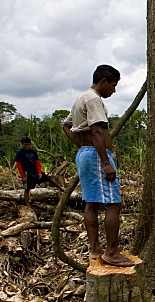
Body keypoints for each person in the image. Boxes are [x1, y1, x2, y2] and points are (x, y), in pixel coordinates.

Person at [62, 64, 134, 267]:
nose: (114, 90)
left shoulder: (81, 98)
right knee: (113, 204)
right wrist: (105, 163)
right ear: (103, 81)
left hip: (85, 154)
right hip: (96, 156)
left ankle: (96, 251)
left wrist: (82, 146)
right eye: (113, 85)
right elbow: (97, 132)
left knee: (91, 203)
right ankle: (111, 253)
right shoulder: (93, 99)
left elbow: (66, 125)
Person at [14, 137, 63, 205]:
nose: (27, 146)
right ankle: (27, 204)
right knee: (26, 189)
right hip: (26, 173)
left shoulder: (33, 152)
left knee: (48, 179)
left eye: (28, 144)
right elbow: (19, 165)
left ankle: (60, 188)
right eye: (25, 145)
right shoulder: (20, 153)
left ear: (30, 144)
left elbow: (37, 162)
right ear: (22, 144)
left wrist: (39, 172)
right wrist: (23, 176)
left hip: (35, 171)